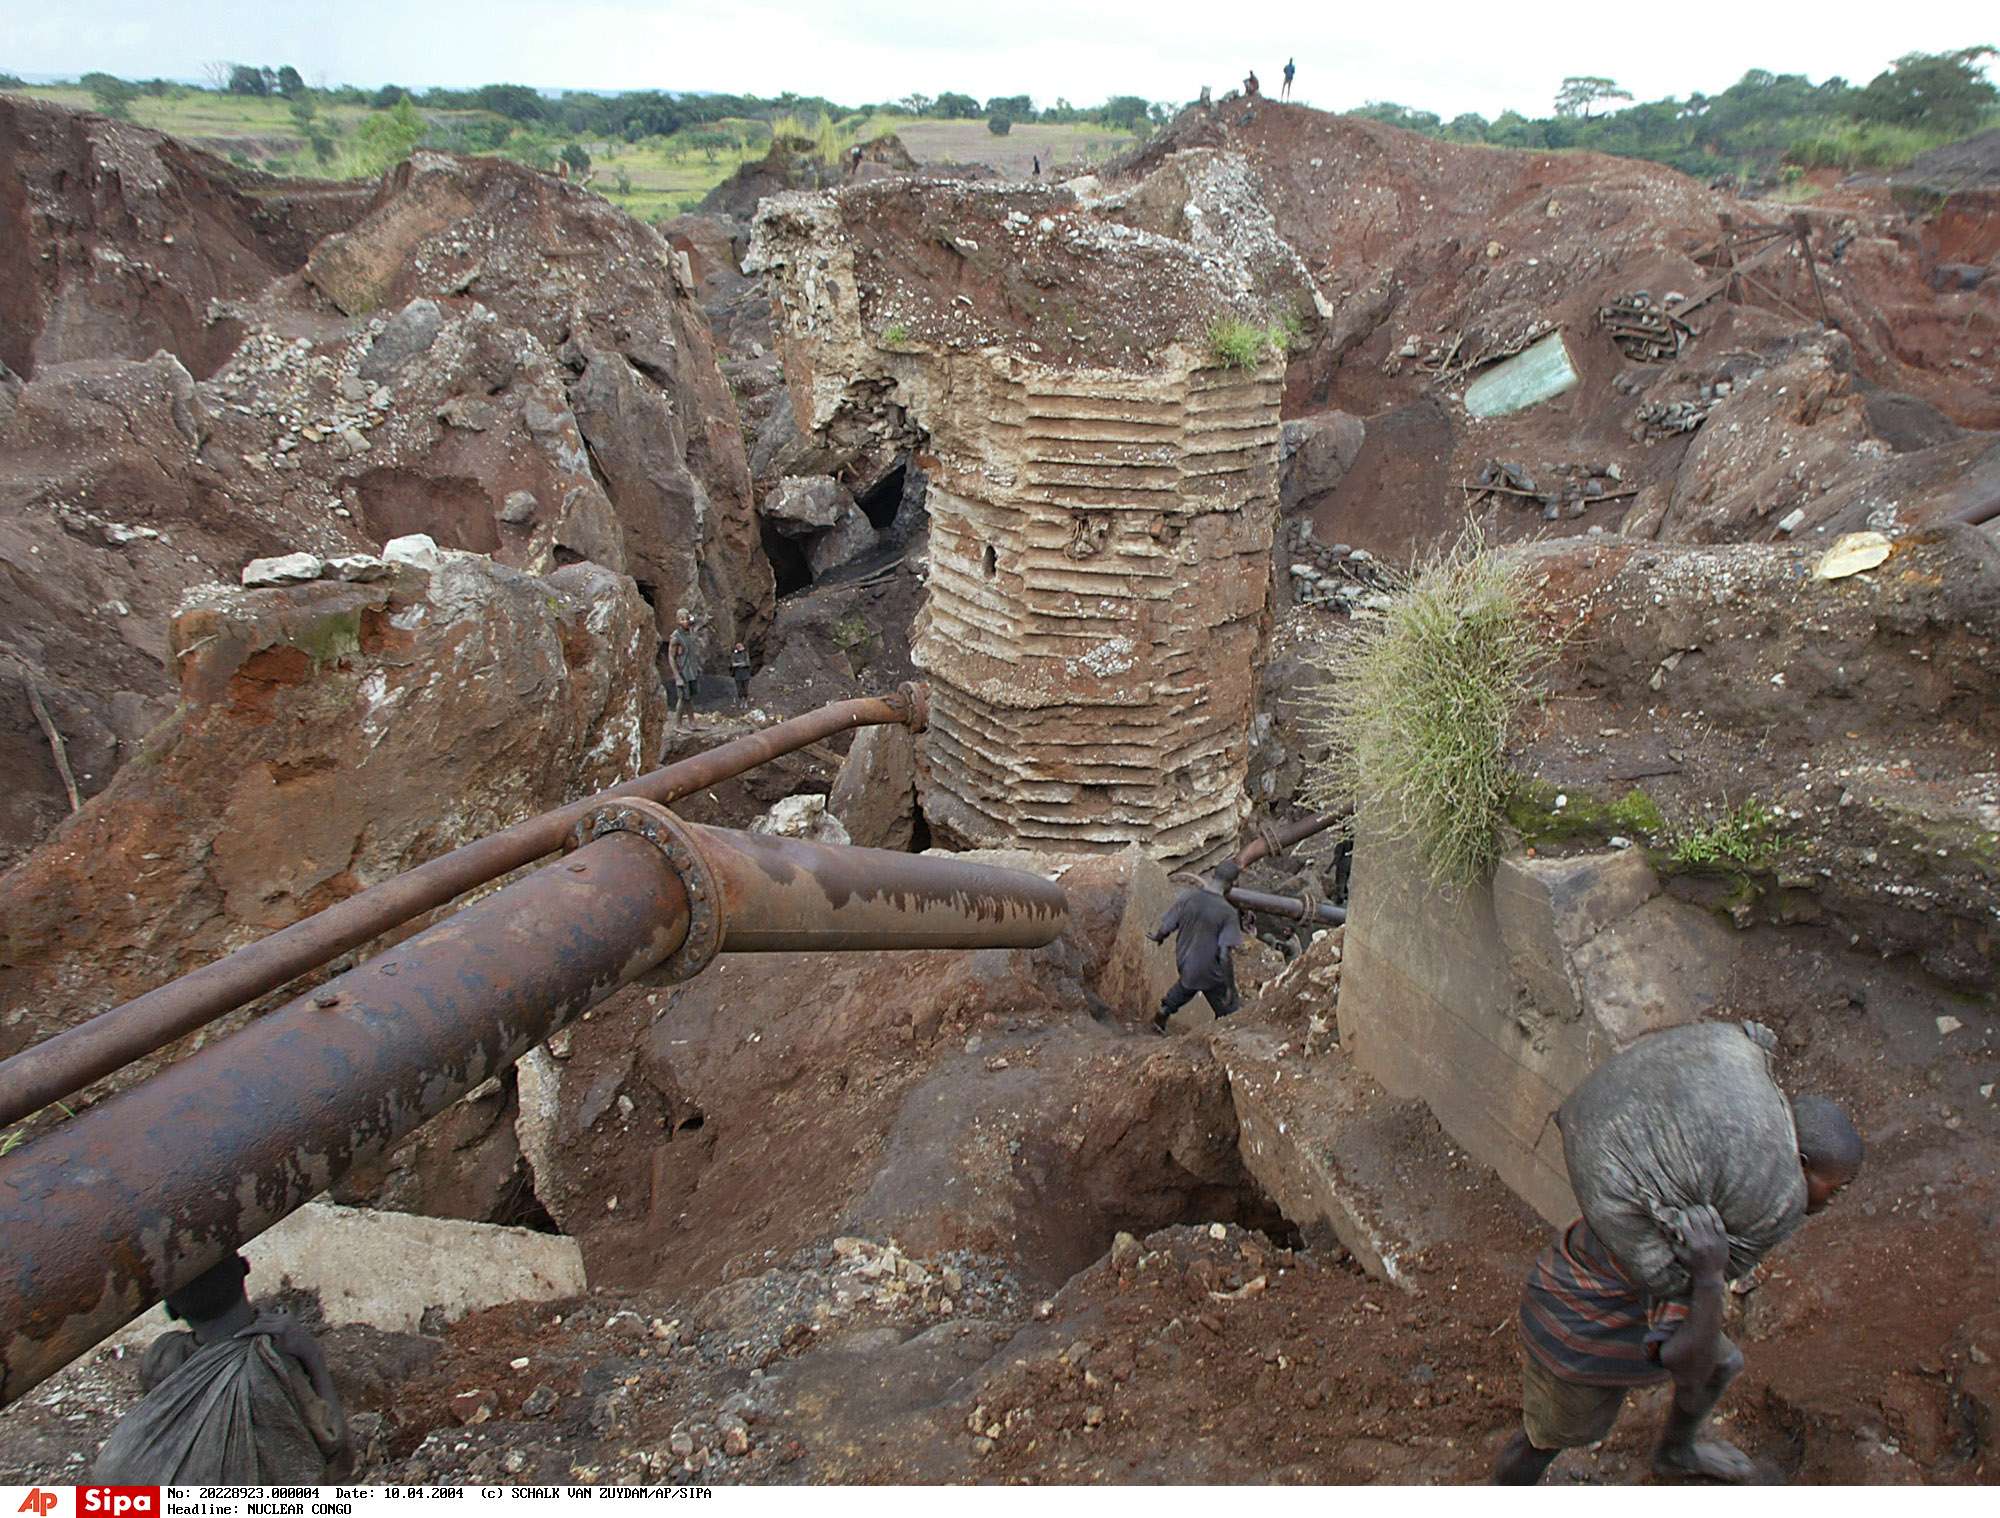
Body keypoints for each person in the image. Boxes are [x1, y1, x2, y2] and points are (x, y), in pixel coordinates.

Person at [1493, 1093, 1863, 1484]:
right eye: (1834, 1188)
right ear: (1801, 1164)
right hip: (1575, 1325)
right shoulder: (1700, 1223)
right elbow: (1685, 1361)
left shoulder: (1740, 1168)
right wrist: (1708, 1276)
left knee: (1722, 1364)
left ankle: (1676, 1452)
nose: (1835, 1199)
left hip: (1623, 1297)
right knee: (1548, 1438)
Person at [92, 1255, 347, 1483]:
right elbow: (338, 1451)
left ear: (171, 1310)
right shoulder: (274, 1361)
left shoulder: (163, 1356)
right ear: (245, 1267)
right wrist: (310, 1353)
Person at [1147, 858, 1245, 1032]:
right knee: (1229, 1009)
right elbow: (1224, 954)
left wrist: (1158, 937)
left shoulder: (1188, 897)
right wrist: (1230, 986)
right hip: (1210, 972)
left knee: (1186, 987)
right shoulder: (1228, 913)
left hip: (1185, 962)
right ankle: (1221, 1031)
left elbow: (1168, 924)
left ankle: (1162, 1013)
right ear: (1232, 884)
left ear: (1213, 875)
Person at [667, 609, 700, 725]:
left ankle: (692, 722)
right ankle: (678, 724)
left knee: (689, 697)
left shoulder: (688, 633)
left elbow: (696, 621)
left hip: (691, 670)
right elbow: (671, 657)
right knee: (682, 698)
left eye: (686, 619)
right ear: (677, 621)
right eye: (682, 619)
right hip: (682, 671)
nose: (685, 621)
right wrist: (677, 677)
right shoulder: (676, 637)